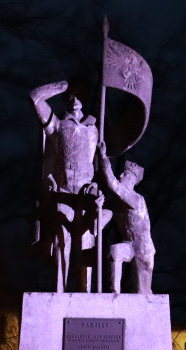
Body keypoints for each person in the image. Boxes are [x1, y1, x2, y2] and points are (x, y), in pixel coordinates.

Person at [30, 80, 111, 292]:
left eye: (79, 95)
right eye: (70, 96)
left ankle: (86, 295)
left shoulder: (95, 129)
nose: (75, 100)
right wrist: (64, 86)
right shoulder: (57, 125)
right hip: (64, 191)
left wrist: (100, 188)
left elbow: (103, 162)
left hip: (86, 192)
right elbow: (35, 96)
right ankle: (59, 292)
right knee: (61, 241)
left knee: (86, 245)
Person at [97, 142, 155, 294]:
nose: (121, 175)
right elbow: (100, 222)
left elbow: (113, 184)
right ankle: (113, 294)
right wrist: (97, 207)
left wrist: (103, 156)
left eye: (126, 174)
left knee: (143, 292)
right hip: (129, 245)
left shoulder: (136, 199)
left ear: (133, 180)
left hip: (143, 249)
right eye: (122, 172)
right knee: (114, 251)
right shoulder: (116, 203)